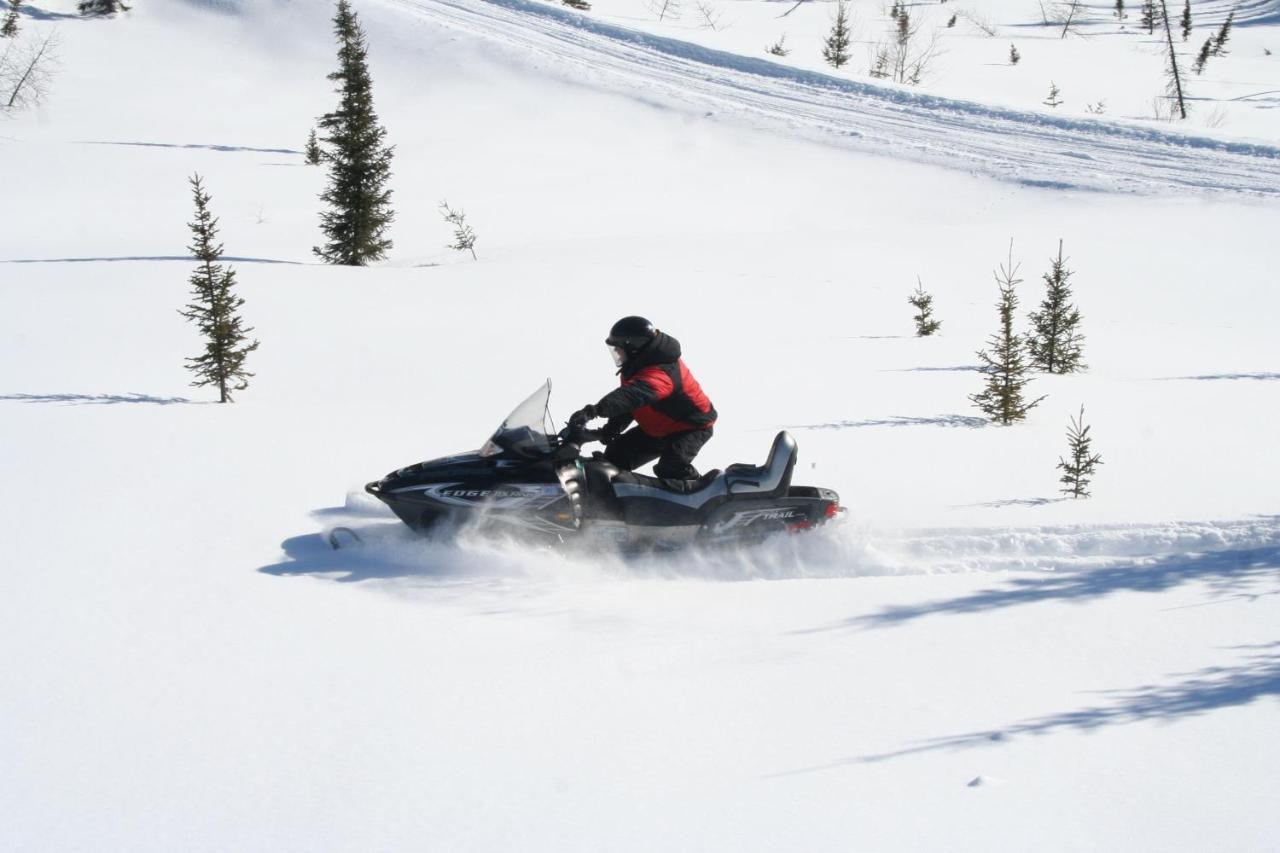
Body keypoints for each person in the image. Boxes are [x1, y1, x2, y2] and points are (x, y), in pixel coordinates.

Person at [570, 316, 717, 481]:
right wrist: (611, 429)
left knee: (671, 467)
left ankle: (703, 493)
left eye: (619, 349)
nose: (617, 353)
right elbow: (633, 405)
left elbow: (633, 396)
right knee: (616, 454)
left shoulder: (661, 373)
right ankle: (610, 501)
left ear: (634, 347)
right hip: (659, 426)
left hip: (690, 427)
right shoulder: (637, 365)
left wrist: (594, 411)